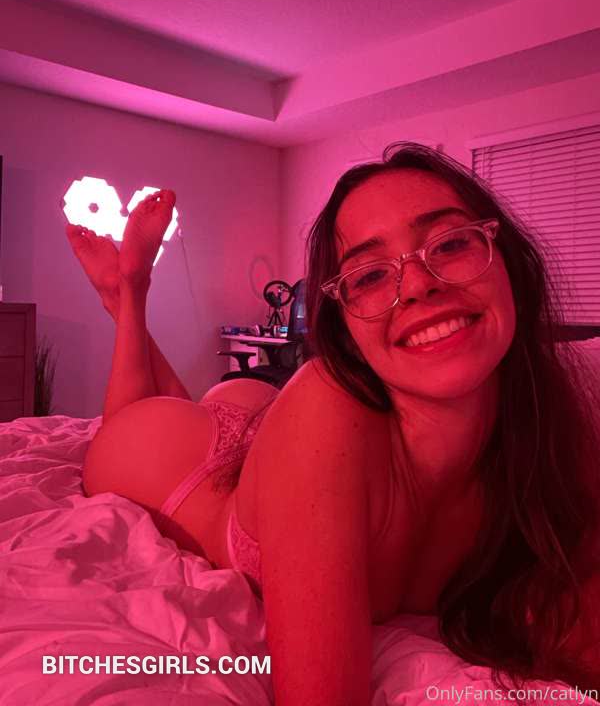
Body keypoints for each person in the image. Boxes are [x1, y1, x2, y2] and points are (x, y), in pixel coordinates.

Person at [67, 143, 600, 705]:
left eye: (449, 243)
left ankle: (127, 295)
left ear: (507, 258)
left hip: (272, 435)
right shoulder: (325, 407)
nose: (419, 285)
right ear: (344, 329)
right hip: (189, 464)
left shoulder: (549, 421)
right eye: (369, 275)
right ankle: (128, 295)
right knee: (127, 422)